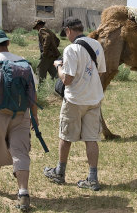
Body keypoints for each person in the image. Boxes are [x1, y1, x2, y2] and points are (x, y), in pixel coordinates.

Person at [0, 29, 39, 211]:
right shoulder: (23, 63)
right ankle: (24, 193)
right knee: (21, 152)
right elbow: (32, 93)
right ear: (8, 43)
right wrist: (34, 116)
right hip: (22, 113)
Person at [43, 17, 106, 191]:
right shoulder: (96, 45)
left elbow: (67, 80)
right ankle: (92, 178)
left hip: (74, 100)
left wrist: (58, 67)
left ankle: (59, 172)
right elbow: (100, 73)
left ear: (69, 30)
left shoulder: (71, 49)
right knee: (91, 139)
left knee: (66, 136)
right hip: (94, 99)